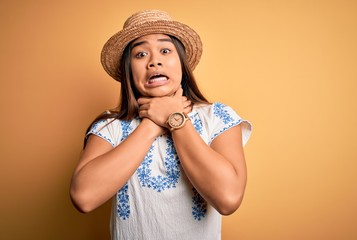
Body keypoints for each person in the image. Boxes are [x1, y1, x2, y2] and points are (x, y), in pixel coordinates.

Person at [70, 9, 252, 240]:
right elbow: (83, 197)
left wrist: (175, 120)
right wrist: (151, 124)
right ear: (129, 70)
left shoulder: (218, 117)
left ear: (182, 63)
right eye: (140, 54)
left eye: (165, 50)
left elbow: (228, 199)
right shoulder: (110, 126)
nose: (154, 61)